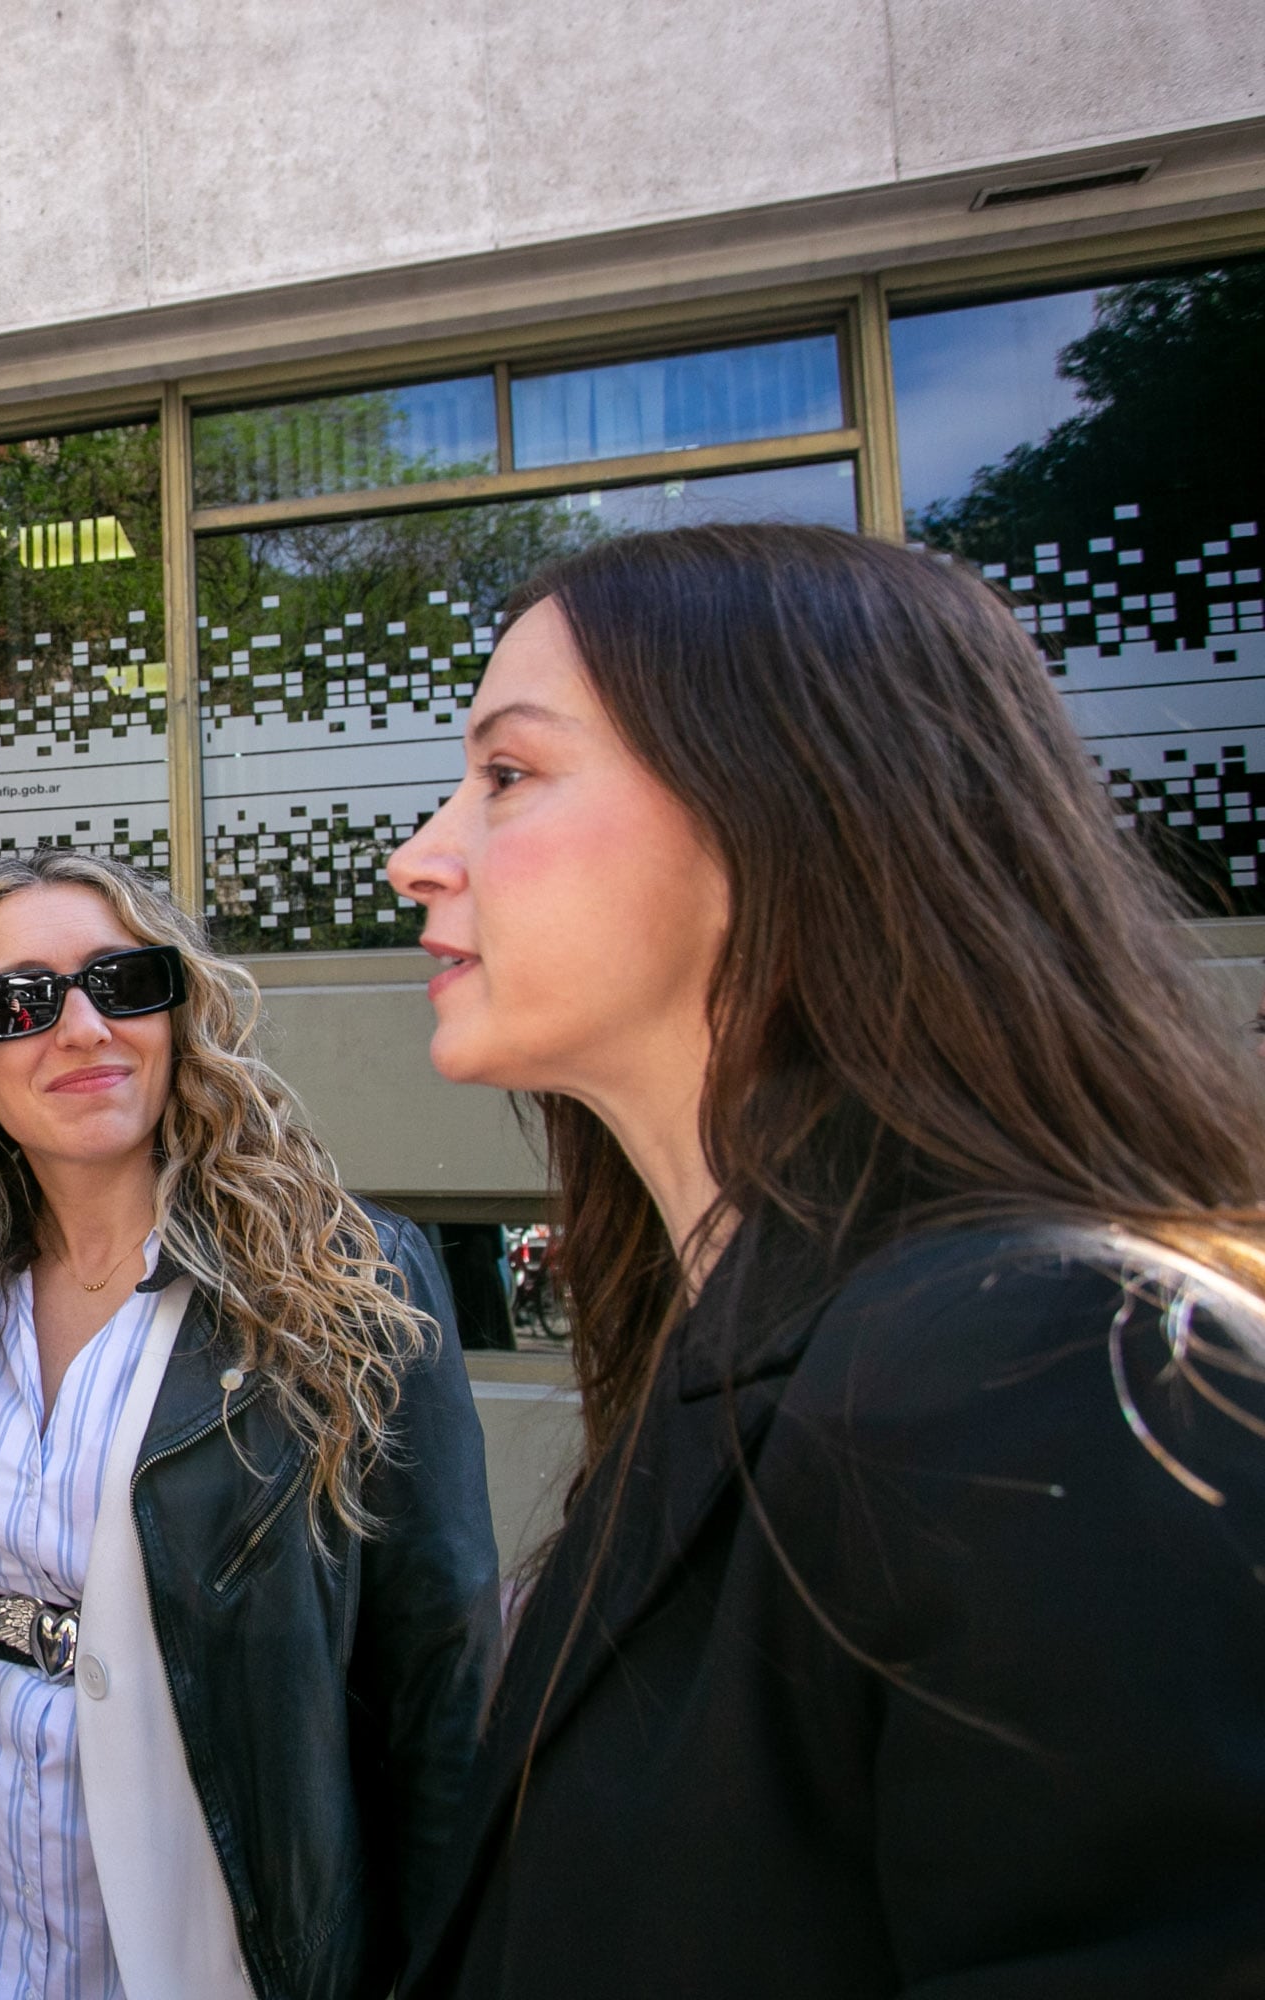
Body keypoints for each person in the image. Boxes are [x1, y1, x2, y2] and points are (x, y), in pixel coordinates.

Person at [388, 524, 1265, 1999]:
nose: (420, 857)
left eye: (510, 775)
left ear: (784, 804)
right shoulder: (733, 1354)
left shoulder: (1055, 1369)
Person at [0, 847, 501, 2000]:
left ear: (179, 1010)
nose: (82, 1026)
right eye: (19, 1002)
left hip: (203, 1921)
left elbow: (440, 1673)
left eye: (124, 980)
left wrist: (435, 1960)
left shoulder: (343, 1281)